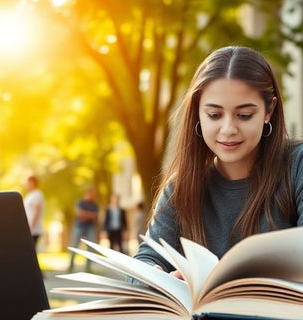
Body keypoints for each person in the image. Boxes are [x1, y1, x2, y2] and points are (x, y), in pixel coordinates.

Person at [133, 46, 303, 287]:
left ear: (269, 110)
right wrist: (156, 277)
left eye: (244, 115)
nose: (228, 129)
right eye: (214, 115)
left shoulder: (297, 166)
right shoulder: (181, 188)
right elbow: (145, 260)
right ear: (198, 112)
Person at [68, 187, 99, 272]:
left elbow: (95, 216)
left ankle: (88, 267)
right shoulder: (80, 202)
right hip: (79, 227)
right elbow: (79, 214)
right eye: (92, 194)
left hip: (90, 228)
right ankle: (71, 265)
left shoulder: (94, 204)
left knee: (90, 247)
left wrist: (85, 214)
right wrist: (89, 215)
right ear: (88, 193)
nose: (94, 196)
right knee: (74, 245)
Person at [23, 175, 45, 247]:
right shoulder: (30, 195)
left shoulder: (37, 194)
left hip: (33, 230)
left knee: (30, 251)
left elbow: (36, 212)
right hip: (30, 229)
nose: (25, 184)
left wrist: (30, 227)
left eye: (27, 182)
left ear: (32, 182)